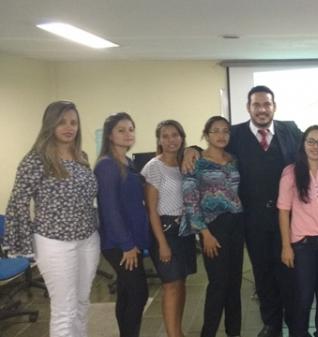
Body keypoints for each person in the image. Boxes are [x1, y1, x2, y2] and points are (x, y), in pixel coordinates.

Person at [184, 86, 302, 337]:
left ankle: (295, 325)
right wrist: (190, 148)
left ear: (274, 106)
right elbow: (212, 149)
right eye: (256, 105)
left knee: (288, 274)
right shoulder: (234, 134)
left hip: (287, 219)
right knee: (262, 274)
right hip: (251, 222)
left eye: (266, 104)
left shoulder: (291, 130)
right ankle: (271, 324)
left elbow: (314, 149)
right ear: (248, 108)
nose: (262, 109)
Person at [5, 101, 100, 337]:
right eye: (61, 122)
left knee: (81, 303)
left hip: (88, 239)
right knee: (64, 310)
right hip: (55, 243)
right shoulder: (36, 160)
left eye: (73, 122)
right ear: (50, 125)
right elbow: (18, 203)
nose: (69, 127)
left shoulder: (81, 156)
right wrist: (23, 244)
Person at [278, 125, 318, 337]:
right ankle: (299, 332)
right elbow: (283, 212)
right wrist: (286, 246)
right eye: (311, 141)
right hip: (302, 245)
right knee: (303, 296)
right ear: (303, 145)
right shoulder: (291, 173)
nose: (315, 146)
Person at [181, 116, 244, 337]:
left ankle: (233, 332)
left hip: (236, 225)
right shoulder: (195, 162)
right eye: (215, 131)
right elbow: (190, 200)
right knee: (218, 285)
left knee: (234, 285)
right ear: (206, 134)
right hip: (212, 228)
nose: (221, 135)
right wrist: (204, 233)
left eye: (225, 131)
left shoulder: (234, 159)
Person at [95, 112, 150, 337]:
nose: (128, 134)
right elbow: (110, 209)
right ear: (109, 135)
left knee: (128, 293)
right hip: (119, 243)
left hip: (130, 240)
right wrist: (127, 245)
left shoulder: (128, 161)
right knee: (139, 294)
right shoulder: (107, 165)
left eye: (131, 129)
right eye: (121, 130)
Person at [141, 120, 197, 337]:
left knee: (181, 283)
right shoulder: (153, 167)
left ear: (182, 137)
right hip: (164, 231)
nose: (170, 140)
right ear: (159, 140)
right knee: (171, 285)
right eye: (165, 136)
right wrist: (162, 243)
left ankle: (178, 331)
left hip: (184, 230)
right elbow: (151, 210)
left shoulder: (185, 163)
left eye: (175, 135)